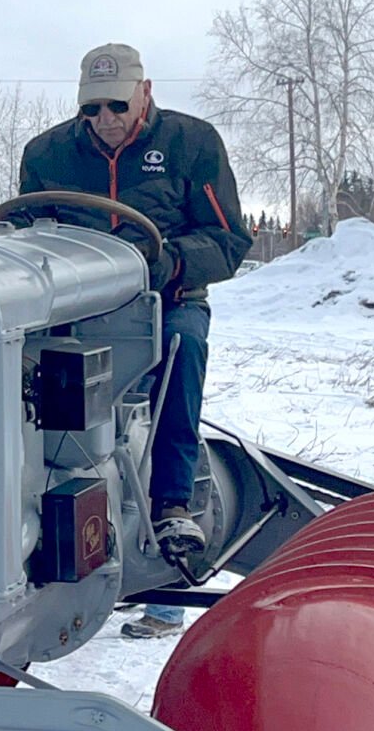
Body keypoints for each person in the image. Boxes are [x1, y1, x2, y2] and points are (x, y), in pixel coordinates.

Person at [20, 43, 251, 639]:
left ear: (144, 92)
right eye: (91, 108)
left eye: (116, 105)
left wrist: (170, 263)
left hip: (167, 300)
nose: (104, 119)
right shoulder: (47, 155)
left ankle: (171, 506)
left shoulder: (191, 144)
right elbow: (22, 233)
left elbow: (228, 240)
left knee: (180, 353)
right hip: (74, 309)